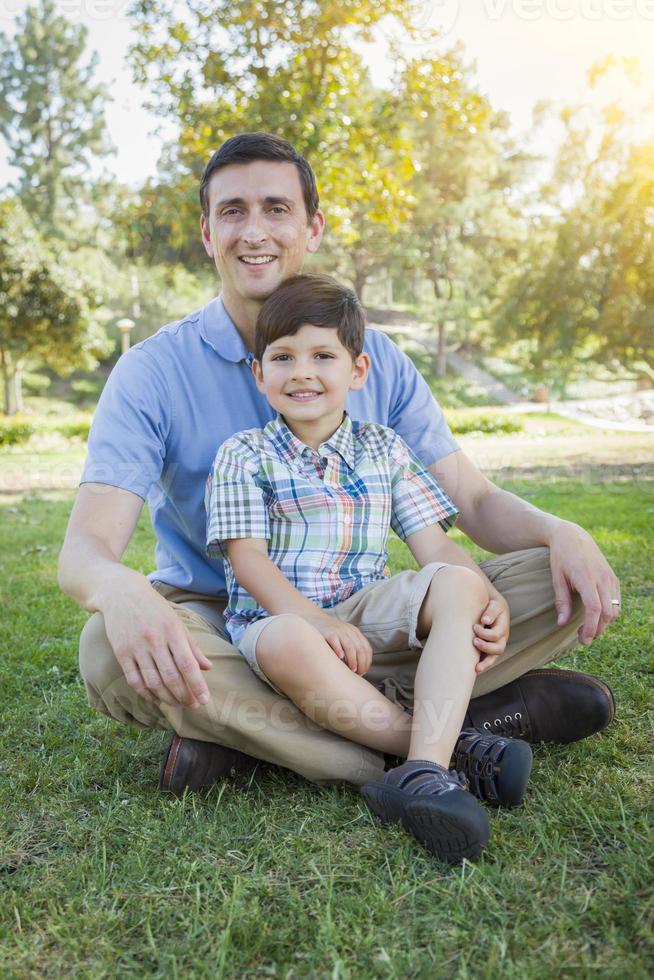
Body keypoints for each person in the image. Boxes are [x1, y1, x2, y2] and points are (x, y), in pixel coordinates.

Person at [58, 132, 618, 800]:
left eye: (276, 208)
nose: (254, 231)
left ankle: (257, 740)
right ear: (207, 232)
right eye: (233, 211)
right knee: (107, 649)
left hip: (358, 617)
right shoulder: (152, 370)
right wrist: (121, 592)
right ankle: (442, 739)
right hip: (223, 625)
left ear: (312, 227)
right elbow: (87, 547)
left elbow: (469, 499)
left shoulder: (371, 356)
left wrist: (560, 533)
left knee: (552, 584)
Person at [206, 272, 535, 862]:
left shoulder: (383, 448)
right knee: (286, 641)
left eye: (323, 356)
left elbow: (433, 545)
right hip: (277, 618)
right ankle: (449, 751)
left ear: (357, 371)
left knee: (458, 582)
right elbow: (246, 557)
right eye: (282, 357)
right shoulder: (244, 454)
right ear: (259, 374)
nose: (302, 372)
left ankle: (424, 771)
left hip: (365, 614)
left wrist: (487, 596)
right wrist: (315, 622)